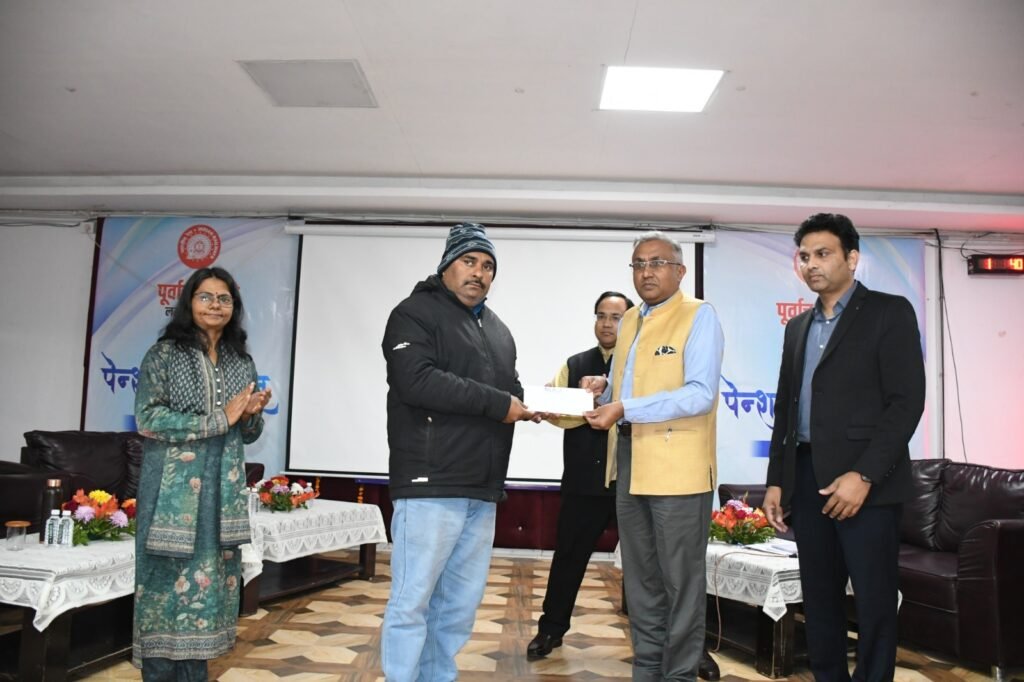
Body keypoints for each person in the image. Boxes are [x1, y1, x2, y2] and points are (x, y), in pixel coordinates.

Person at [762, 213, 925, 682]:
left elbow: (906, 403)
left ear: (852, 259)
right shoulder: (798, 327)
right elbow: (786, 409)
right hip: (807, 477)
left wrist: (865, 475)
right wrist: (777, 480)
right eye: (804, 256)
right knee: (819, 601)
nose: (811, 264)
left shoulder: (889, 312)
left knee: (874, 602)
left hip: (867, 484)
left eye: (823, 254)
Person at [380, 222, 538, 681]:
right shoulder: (413, 313)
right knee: (412, 603)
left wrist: (556, 401)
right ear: (447, 266)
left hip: (481, 489)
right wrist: (500, 404)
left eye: (488, 266)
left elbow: (511, 392)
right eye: (469, 261)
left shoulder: (498, 330)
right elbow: (416, 381)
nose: (479, 273)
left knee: (457, 608)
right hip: (429, 485)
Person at [581, 231, 725, 682]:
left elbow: (699, 394)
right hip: (630, 462)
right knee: (640, 580)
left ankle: (679, 674)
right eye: (639, 264)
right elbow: (628, 381)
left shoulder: (699, 315)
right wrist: (604, 387)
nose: (646, 272)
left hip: (679, 470)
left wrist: (625, 407)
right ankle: (646, 669)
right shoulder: (629, 320)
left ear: (680, 271)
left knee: (680, 582)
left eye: (657, 263)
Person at [133, 266, 271, 681]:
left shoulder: (241, 362)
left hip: (220, 495)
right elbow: (148, 419)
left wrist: (250, 414)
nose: (215, 305)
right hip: (171, 495)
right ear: (189, 303)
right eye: (206, 297)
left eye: (224, 299)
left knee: (208, 592)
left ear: (234, 307)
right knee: (164, 589)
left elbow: (247, 433)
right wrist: (219, 418)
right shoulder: (164, 355)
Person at [526, 290, 634, 661]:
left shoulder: (640, 364)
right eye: (601, 315)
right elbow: (556, 408)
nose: (607, 323)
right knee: (568, 559)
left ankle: (668, 640)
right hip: (584, 482)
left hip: (634, 483)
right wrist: (552, 405)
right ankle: (550, 630)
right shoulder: (575, 363)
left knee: (648, 566)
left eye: (616, 317)